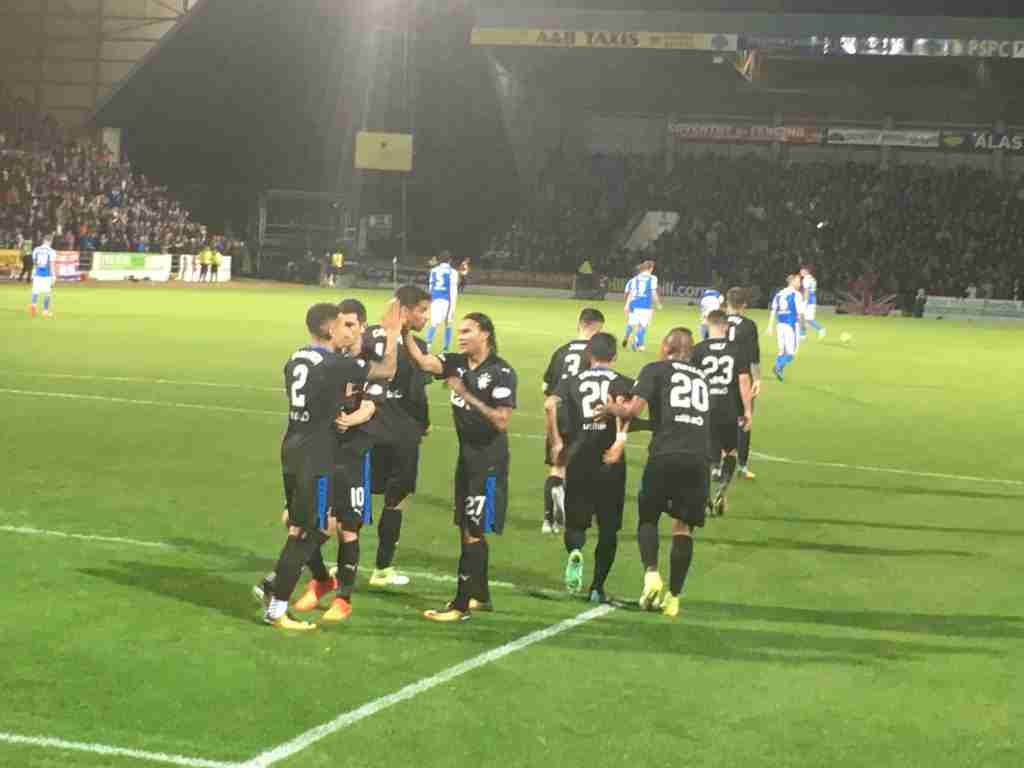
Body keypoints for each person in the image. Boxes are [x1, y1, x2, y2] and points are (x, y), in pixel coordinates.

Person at [258, 301, 400, 630]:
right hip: (316, 455)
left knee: (300, 526)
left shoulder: (295, 359)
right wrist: (391, 334)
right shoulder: (333, 363)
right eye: (338, 324)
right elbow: (386, 369)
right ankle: (276, 605)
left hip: (291, 447)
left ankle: (276, 589)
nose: (342, 330)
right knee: (314, 530)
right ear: (327, 329)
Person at [403, 313, 517, 622]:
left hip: (489, 461)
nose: (461, 336)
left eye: (467, 331)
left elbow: (502, 420)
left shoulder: (501, 372)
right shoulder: (456, 362)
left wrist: (464, 392)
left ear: (485, 334)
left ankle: (460, 607)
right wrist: (402, 328)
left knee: (474, 530)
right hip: (467, 458)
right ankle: (480, 595)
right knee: (467, 528)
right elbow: (423, 362)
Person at [599, 327, 710, 619]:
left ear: (665, 346)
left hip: (665, 454)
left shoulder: (655, 369)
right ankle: (673, 598)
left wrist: (610, 408)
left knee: (648, 516)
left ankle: (651, 574)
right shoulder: (702, 378)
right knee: (683, 528)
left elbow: (633, 411)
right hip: (699, 458)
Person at [351, 286, 433, 588]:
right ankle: (382, 569)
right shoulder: (416, 348)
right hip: (399, 435)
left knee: (358, 499)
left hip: (368, 430)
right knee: (395, 501)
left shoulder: (367, 337)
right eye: (422, 310)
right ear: (405, 310)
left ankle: (348, 565)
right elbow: (417, 395)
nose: (426, 316)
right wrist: (424, 424)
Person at [544, 332, 632, 602]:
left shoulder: (572, 381)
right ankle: (597, 587)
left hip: (579, 455)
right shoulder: (621, 381)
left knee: (576, 521)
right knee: (608, 528)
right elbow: (629, 409)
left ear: (588, 356)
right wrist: (619, 441)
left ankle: (574, 551)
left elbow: (549, 405)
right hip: (610, 458)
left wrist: (557, 441)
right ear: (614, 356)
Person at [540, 308, 606, 534]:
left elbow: (546, 388)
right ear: (598, 328)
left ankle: (549, 521)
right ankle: (579, 514)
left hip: (558, 414)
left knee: (557, 467)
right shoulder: (595, 354)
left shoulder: (561, 351)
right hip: (583, 416)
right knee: (586, 467)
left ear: (579, 323)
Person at [690, 310, 753, 517]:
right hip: (729, 408)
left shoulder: (697, 350)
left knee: (705, 454)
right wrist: (748, 410)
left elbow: (691, 380)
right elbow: (744, 381)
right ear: (726, 326)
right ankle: (722, 491)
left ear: (707, 325)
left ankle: (706, 490)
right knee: (731, 451)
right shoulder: (737, 349)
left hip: (704, 407)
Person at [725, 287, 761, 480]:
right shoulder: (749, 325)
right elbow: (754, 356)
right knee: (744, 420)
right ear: (744, 305)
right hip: (742, 378)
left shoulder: (717, 321)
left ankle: (718, 461)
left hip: (719, 377)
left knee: (719, 419)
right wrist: (758, 379)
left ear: (726, 302)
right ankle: (742, 466)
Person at [766, 273, 805, 382]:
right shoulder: (796, 294)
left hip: (780, 325)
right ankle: (778, 367)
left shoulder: (779, 294)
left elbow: (774, 310)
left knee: (782, 350)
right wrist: (803, 330)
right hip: (791, 325)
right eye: (798, 281)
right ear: (792, 282)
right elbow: (800, 313)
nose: (800, 283)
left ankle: (779, 370)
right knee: (791, 353)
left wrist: (770, 326)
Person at [624, 260, 662, 352]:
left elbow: (629, 293)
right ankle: (637, 344)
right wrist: (658, 303)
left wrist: (627, 305)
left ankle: (626, 336)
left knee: (631, 323)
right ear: (651, 268)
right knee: (642, 326)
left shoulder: (634, 279)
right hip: (645, 306)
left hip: (634, 304)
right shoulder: (652, 278)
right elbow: (653, 292)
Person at [425, 251, 458, 351]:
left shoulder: (434, 270)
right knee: (448, 323)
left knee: (433, 323)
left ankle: (428, 346)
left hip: (434, 299)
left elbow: (431, 287)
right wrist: (452, 306)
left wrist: (429, 301)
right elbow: (453, 290)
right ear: (450, 260)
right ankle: (446, 349)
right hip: (446, 300)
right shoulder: (453, 272)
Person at [28, 234, 56, 318]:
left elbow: (34, 263)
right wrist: (53, 276)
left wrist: (33, 273)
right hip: (46, 275)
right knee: (47, 293)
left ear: (43, 240)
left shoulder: (36, 249)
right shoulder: (51, 251)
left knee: (35, 291)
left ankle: (33, 305)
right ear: (50, 241)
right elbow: (51, 265)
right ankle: (45, 311)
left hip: (37, 274)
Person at [800, 266, 826, 338]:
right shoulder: (812, 278)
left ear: (806, 271)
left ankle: (820, 329)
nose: (801, 272)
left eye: (802, 271)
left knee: (804, 317)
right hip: (812, 299)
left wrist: (805, 301)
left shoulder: (806, 279)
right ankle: (802, 334)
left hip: (808, 300)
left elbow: (807, 291)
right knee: (805, 318)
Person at [621, 264, 641, 349]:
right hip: (641, 305)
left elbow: (626, 293)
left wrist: (626, 304)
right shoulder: (646, 281)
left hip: (631, 304)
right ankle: (634, 343)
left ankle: (626, 338)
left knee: (631, 323)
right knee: (639, 325)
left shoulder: (631, 281)